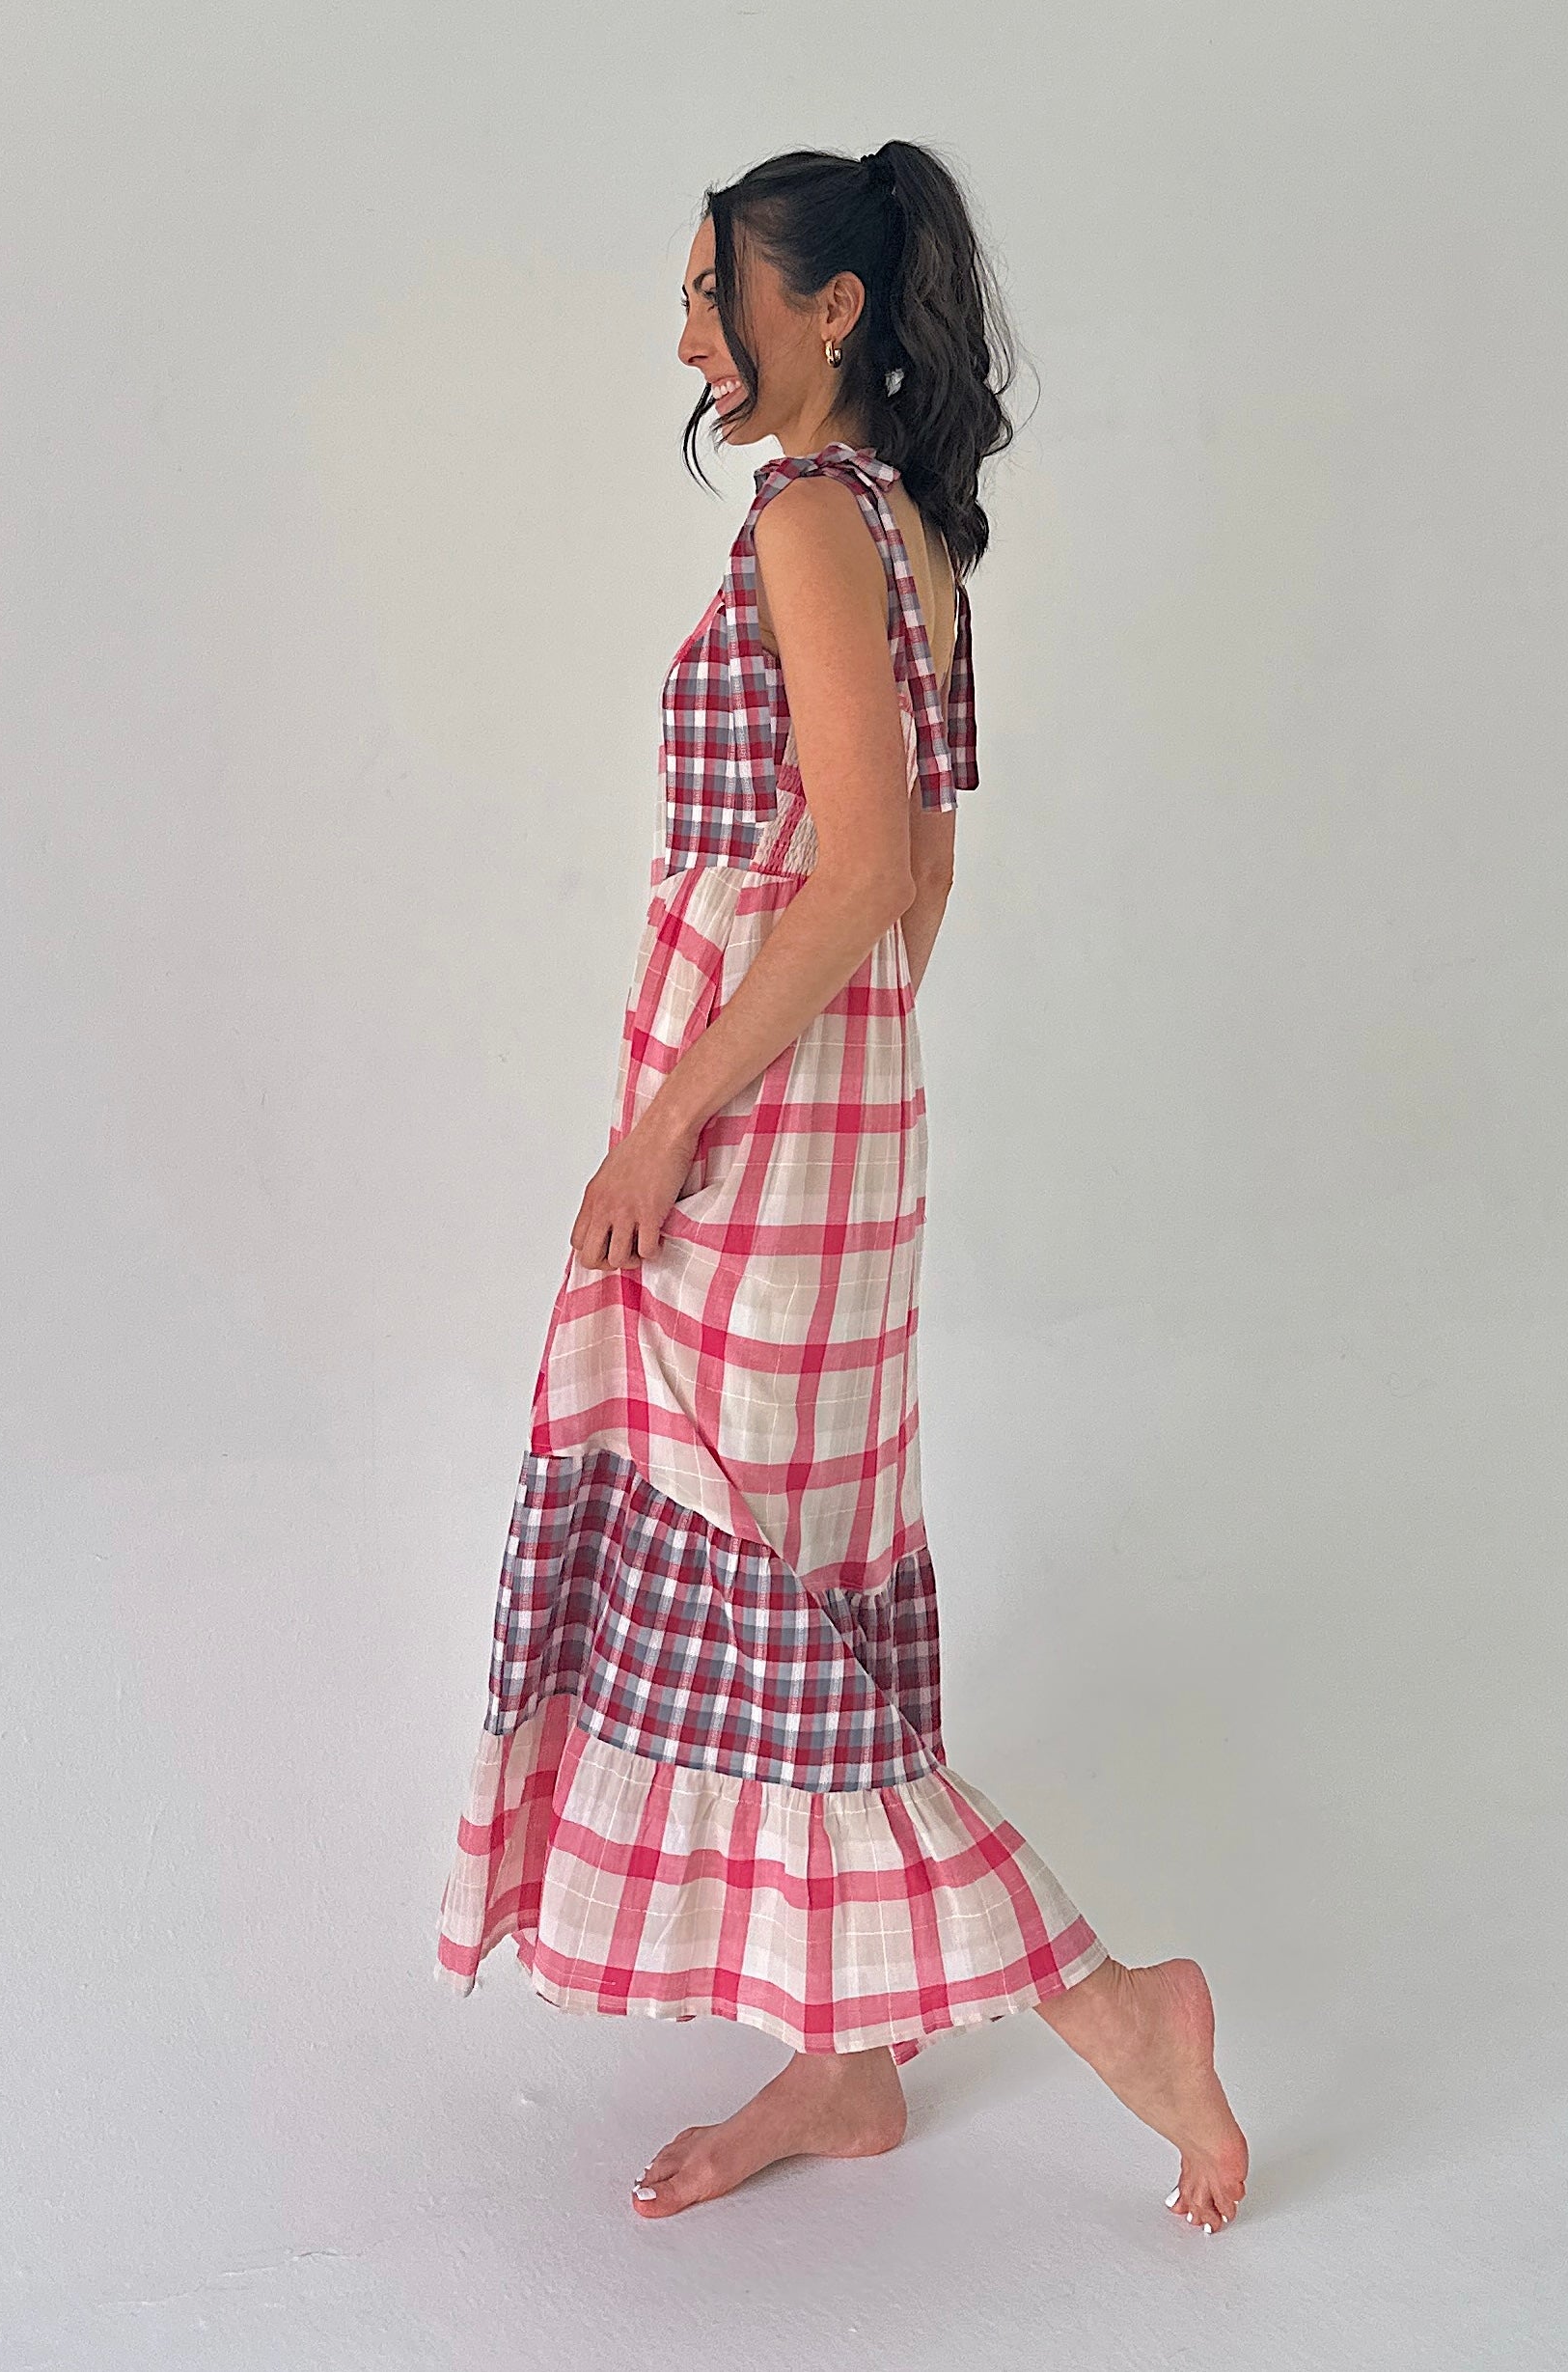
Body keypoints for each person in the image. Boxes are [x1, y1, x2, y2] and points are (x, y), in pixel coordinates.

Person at [434, 140, 1248, 2234]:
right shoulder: (912, 533)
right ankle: (849, 2057)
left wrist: (679, 1120)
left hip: (756, 1112)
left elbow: (867, 862)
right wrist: (837, 1076)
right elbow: (921, 879)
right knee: (801, 1572)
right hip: (833, 1109)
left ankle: (1123, 2015)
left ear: (830, 309)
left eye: (710, 295)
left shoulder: (811, 519)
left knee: (761, 1598)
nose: (684, 338)